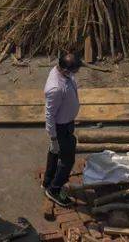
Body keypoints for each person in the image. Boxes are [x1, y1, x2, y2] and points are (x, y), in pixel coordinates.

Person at [43, 52, 81, 206]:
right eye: (74, 71)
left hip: (67, 123)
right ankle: (54, 189)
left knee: (55, 153)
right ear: (65, 70)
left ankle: (47, 180)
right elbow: (49, 115)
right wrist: (53, 138)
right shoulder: (55, 88)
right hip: (61, 128)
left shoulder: (62, 73)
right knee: (67, 160)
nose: (76, 74)